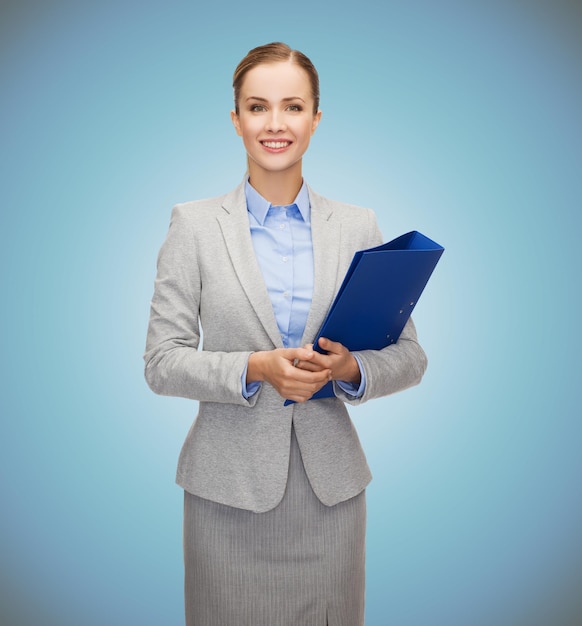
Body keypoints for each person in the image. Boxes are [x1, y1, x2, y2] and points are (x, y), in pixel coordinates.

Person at [144, 41, 427, 626]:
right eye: (257, 107)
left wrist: (350, 370)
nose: (275, 124)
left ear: (316, 119)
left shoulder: (358, 224)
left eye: (293, 107)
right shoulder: (193, 226)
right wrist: (255, 367)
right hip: (227, 495)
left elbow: (410, 355)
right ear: (236, 120)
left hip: (332, 494)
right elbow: (162, 362)